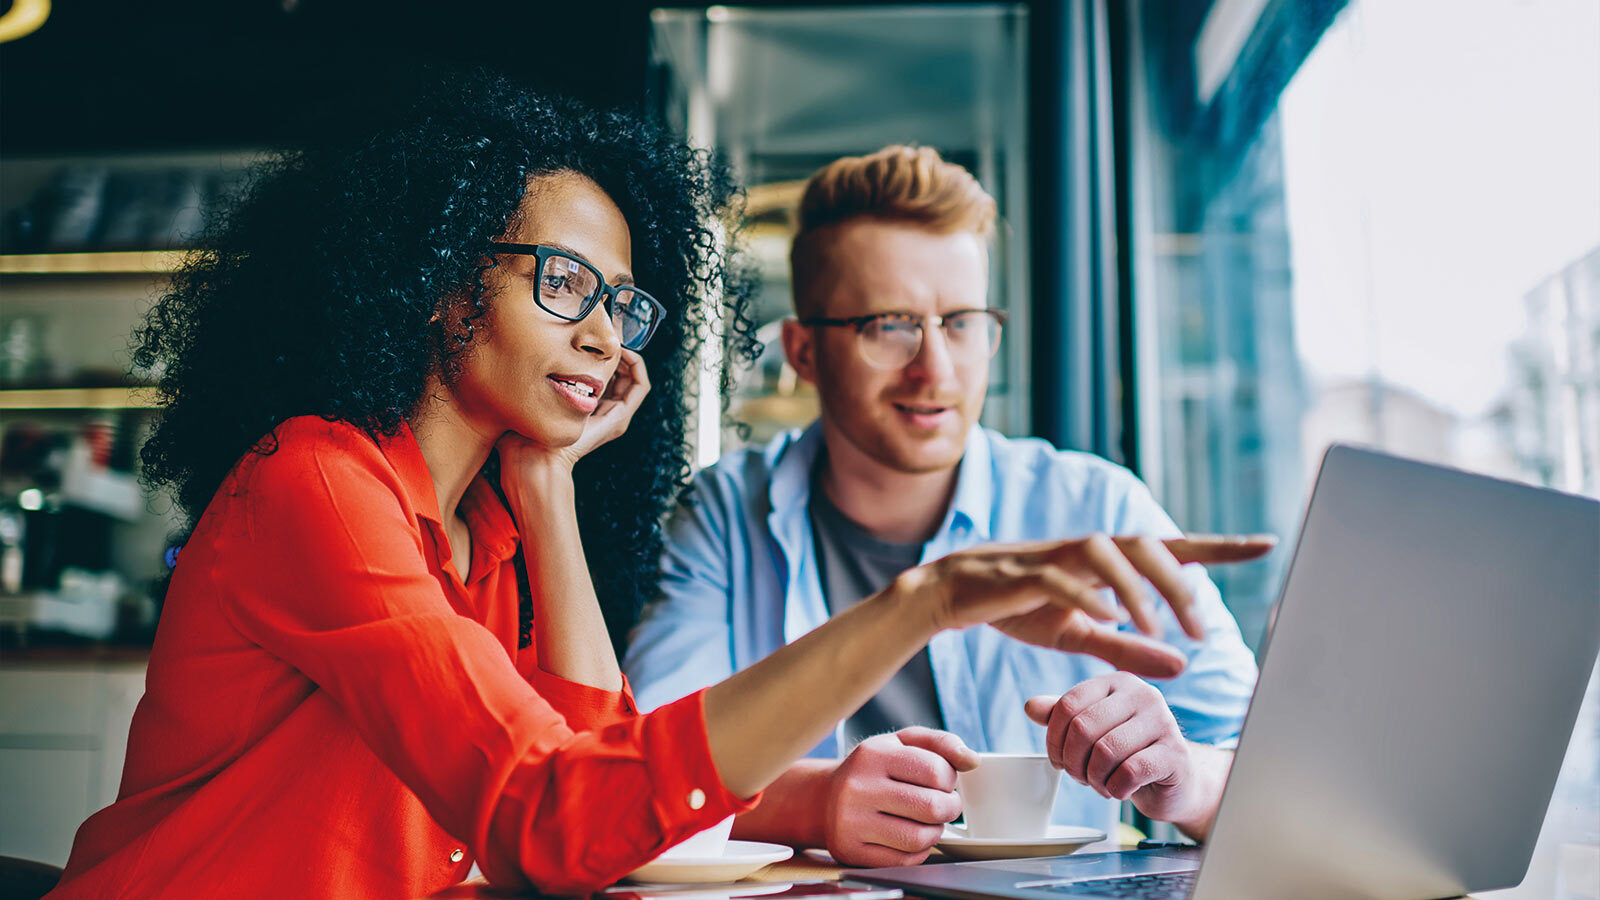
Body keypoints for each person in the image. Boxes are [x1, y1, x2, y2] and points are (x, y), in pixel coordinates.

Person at [48, 77, 1268, 897]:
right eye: (561, 284)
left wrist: (546, 489)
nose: (604, 336)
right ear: (432, 280)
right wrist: (922, 602)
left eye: (621, 303)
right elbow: (553, 816)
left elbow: (590, 767)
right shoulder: (314, 481)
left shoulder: (488, 526)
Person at [623, 146, 1266, 867]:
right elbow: (639, 774)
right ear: (803, 352)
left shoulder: (1095, 506)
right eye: (889, 326)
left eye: (961, 322)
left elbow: (1273, 772)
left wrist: (1184, 780)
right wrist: (816, 800)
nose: (937, 368)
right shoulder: (724, 514)